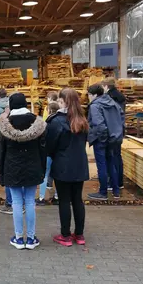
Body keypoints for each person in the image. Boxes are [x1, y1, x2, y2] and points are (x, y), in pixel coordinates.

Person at [0, 92, 47, 250]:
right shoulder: (37, 123)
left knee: (17, 202)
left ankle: (19, 238)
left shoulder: (6, 123)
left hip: (12, 167)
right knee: (30, 202)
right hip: (33, 166)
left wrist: (1, 173)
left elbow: (0, 151)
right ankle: (31, 238)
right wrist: (42, 169)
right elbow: (43, 149)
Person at [46, 88, 90, 246]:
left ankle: (65, 235)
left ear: (64, 102)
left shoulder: (56, 121)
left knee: (64, 200)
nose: (58, 103)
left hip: (62, 165)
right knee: (77, 199)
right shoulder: (82, 120)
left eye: (59, 101)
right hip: (79, 165)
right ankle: (79, 235)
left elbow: (49, 145)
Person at [86, 84, 124, 201]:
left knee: (101, 165)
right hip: (113, 138)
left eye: (89, 95)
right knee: (111, 163)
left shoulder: (95, 106)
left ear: (94, 95)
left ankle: (103, 192)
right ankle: (116, 190)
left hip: (102, 139)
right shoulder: (112, 103)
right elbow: (121, 118)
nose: (88, 97)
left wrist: (101, 139)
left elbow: (99, 124)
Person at [102, 77, 126, 189]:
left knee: (110, 157)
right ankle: (119, 181)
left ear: (106, 86)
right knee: (117, 155)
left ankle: (112, 182)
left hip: (112, 130)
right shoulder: (120, 97)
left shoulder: (110, 99)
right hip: (120, 129)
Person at [37, 100, 60, 205]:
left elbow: (43, 138)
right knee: (58, 175)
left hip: (48, 153)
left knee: (45, 175)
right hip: (58, 153)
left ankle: (42, 198)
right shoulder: (61, 121)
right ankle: (57, 196)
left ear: (49, 110)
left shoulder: (47, 123)